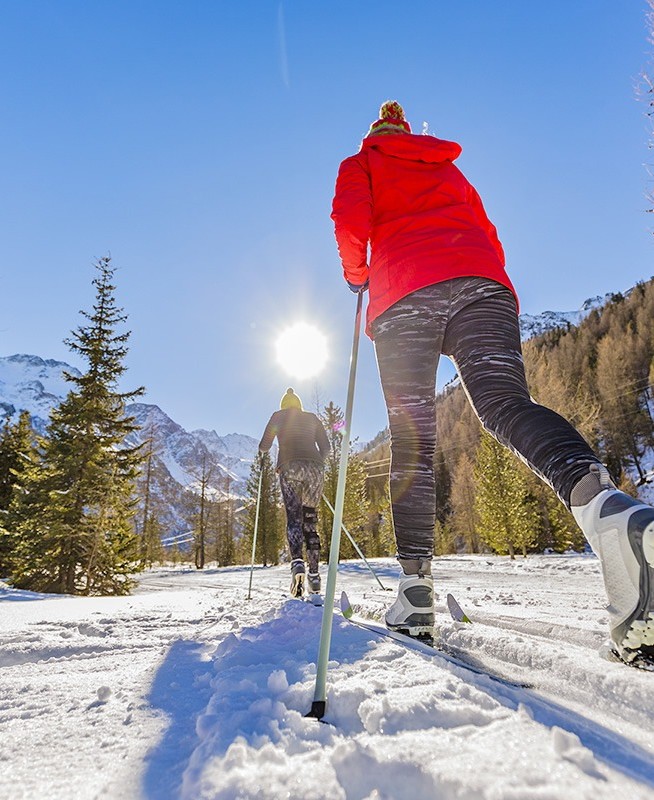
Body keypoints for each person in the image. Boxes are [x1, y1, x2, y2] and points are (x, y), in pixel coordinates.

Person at [331, 100, 654, 668]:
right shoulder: (446, 166)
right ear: (408, 131)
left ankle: (415, 593)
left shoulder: (362, 163)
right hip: (482, 285)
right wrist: (482, 277)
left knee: (413, 440)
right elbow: (488, 233)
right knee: (505, 403)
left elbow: (350, 223)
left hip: (404, 294)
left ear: (375, 132)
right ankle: (607, 509)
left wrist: (358, 275)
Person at [259, 388, 330, 598]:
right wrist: (316, 465)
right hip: (315, 469)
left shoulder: (278, 417)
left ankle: (297, 565)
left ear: (283, 405)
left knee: (293, 518)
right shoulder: (312, 418)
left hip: (289, 466)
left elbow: (265, 445)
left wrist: (263, 452)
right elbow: (325, 448)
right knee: (310, 521)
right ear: (299, 404)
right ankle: (315, 576)